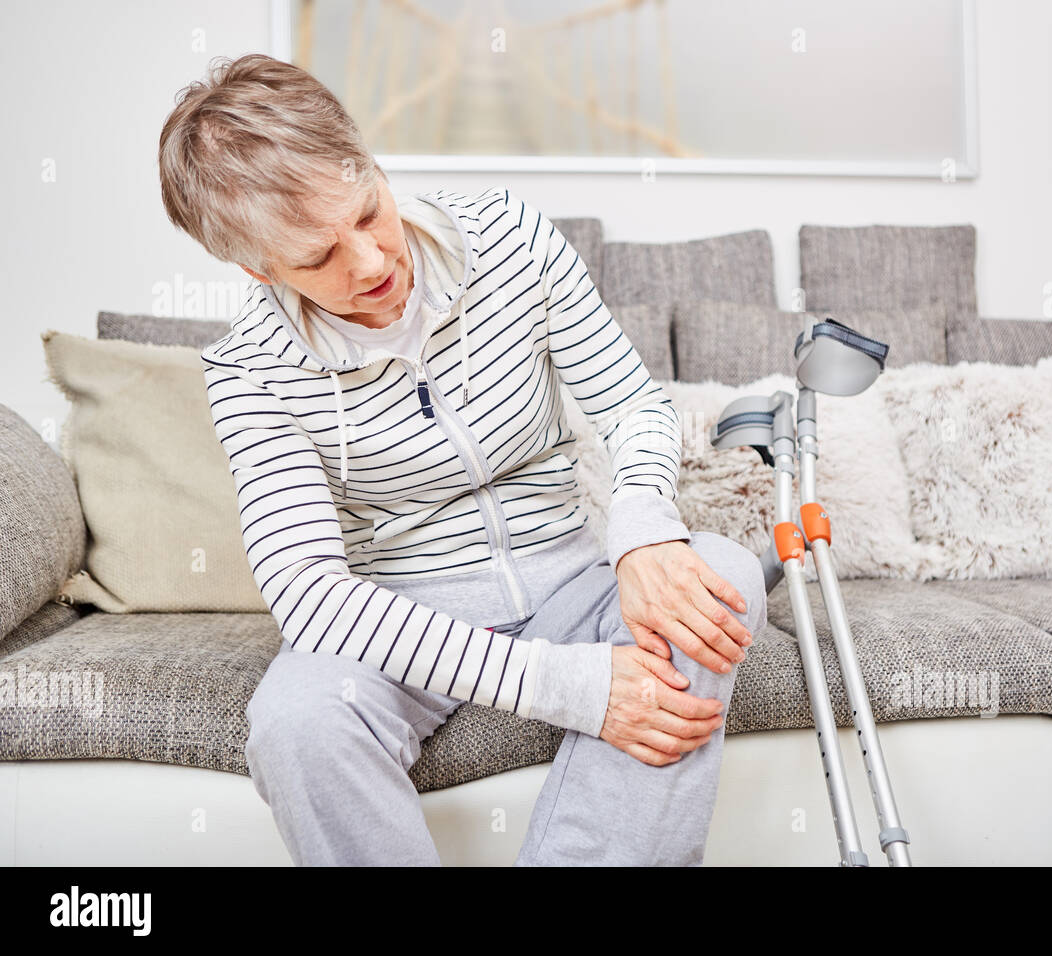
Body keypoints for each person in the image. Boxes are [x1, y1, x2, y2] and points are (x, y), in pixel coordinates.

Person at [157, 53, 767, 866]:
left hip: (569, 579)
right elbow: (308, 593)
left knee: (719, 579)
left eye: (368, 212)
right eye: (316, 260)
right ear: (259, 269)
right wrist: (572, 687)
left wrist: (645, 529)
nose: (372, 264)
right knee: (297, 722)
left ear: (372, 164)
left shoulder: (511, 236)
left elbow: (632, 405)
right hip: (402, 619)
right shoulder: (250, 371)